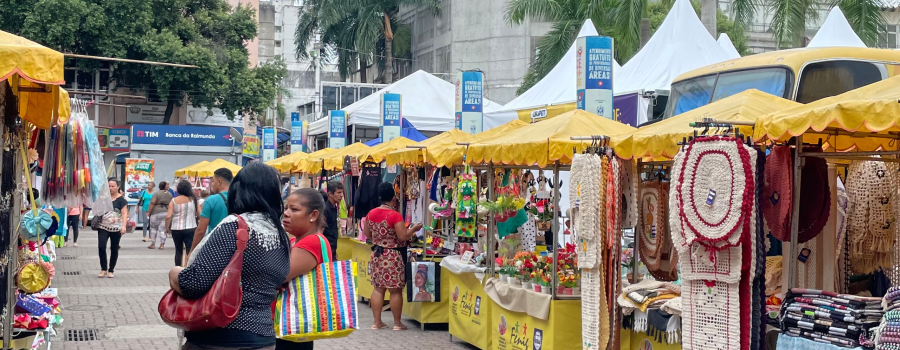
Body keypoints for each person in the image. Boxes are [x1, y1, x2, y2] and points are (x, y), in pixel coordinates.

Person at [169, 162, 290, 350]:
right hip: (263, 338)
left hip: (221, 337)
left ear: (238, 190)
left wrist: (175, 273)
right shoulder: (280, 235)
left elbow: (194, 283)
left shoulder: (235, 227)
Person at [275, 188, 331, 350]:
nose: (286, 213)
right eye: (286, 208)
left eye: (294, 209)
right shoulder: (299, 241)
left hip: (294, 322)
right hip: (293, 324)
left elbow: (279, 275)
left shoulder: (311, 242)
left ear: (313, 215)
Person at [365, 183, 422, 331]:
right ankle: (397, 323)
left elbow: (367, 233)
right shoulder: (394, 215)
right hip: (392, 254)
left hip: (377, 254)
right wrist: (414, 229)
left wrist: (378, 239)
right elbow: (403, 237)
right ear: (393, 197)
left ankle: (376, 322)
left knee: (378, 289)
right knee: (395, 290)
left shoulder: (371, 213)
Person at [191, 168, 233, 253]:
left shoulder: (211, 200)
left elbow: (201, 230)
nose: (212, 184)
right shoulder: (240, 198)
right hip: (234, 246)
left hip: (215, 246)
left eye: (213, 181)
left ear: (219, 181)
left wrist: (192, 251)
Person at [98, 179, 129, 278]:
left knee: (114, 248)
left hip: (116, 228)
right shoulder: (104, 198)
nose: (110, 188)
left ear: (118, 187)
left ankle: (111, 270)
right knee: (101, 247)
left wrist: (123, 226)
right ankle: (103, 269)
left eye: (112, 186)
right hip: (103, 226)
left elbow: (124, 213)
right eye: (109, 186)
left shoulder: (122, 200)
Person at [166, 181, 200, 267]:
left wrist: (166, 227)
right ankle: (188, 268)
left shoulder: (173, 201)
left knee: (178, 250)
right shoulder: (194, 200)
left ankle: (177, 269)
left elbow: (168, 216)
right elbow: (199, 214)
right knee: (189, 249)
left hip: (176, 228)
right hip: (191, 227)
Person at [147, 181, 173, 250]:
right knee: (163, 229)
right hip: (165, 212)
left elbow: (152, 202)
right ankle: (162, 244)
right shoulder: (169, 194)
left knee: (153, 228)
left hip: (156, 212)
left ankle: (153, 243)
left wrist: (148, 212)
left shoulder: (156, 193)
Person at [322, 181, 343, 257]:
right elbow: (321, 230)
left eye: (342, 193)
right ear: (330, 194)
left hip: (332, 248)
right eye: (338, 193)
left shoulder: (334, 208)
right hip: (326, 249)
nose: (341, 195)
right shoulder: (325, 209)